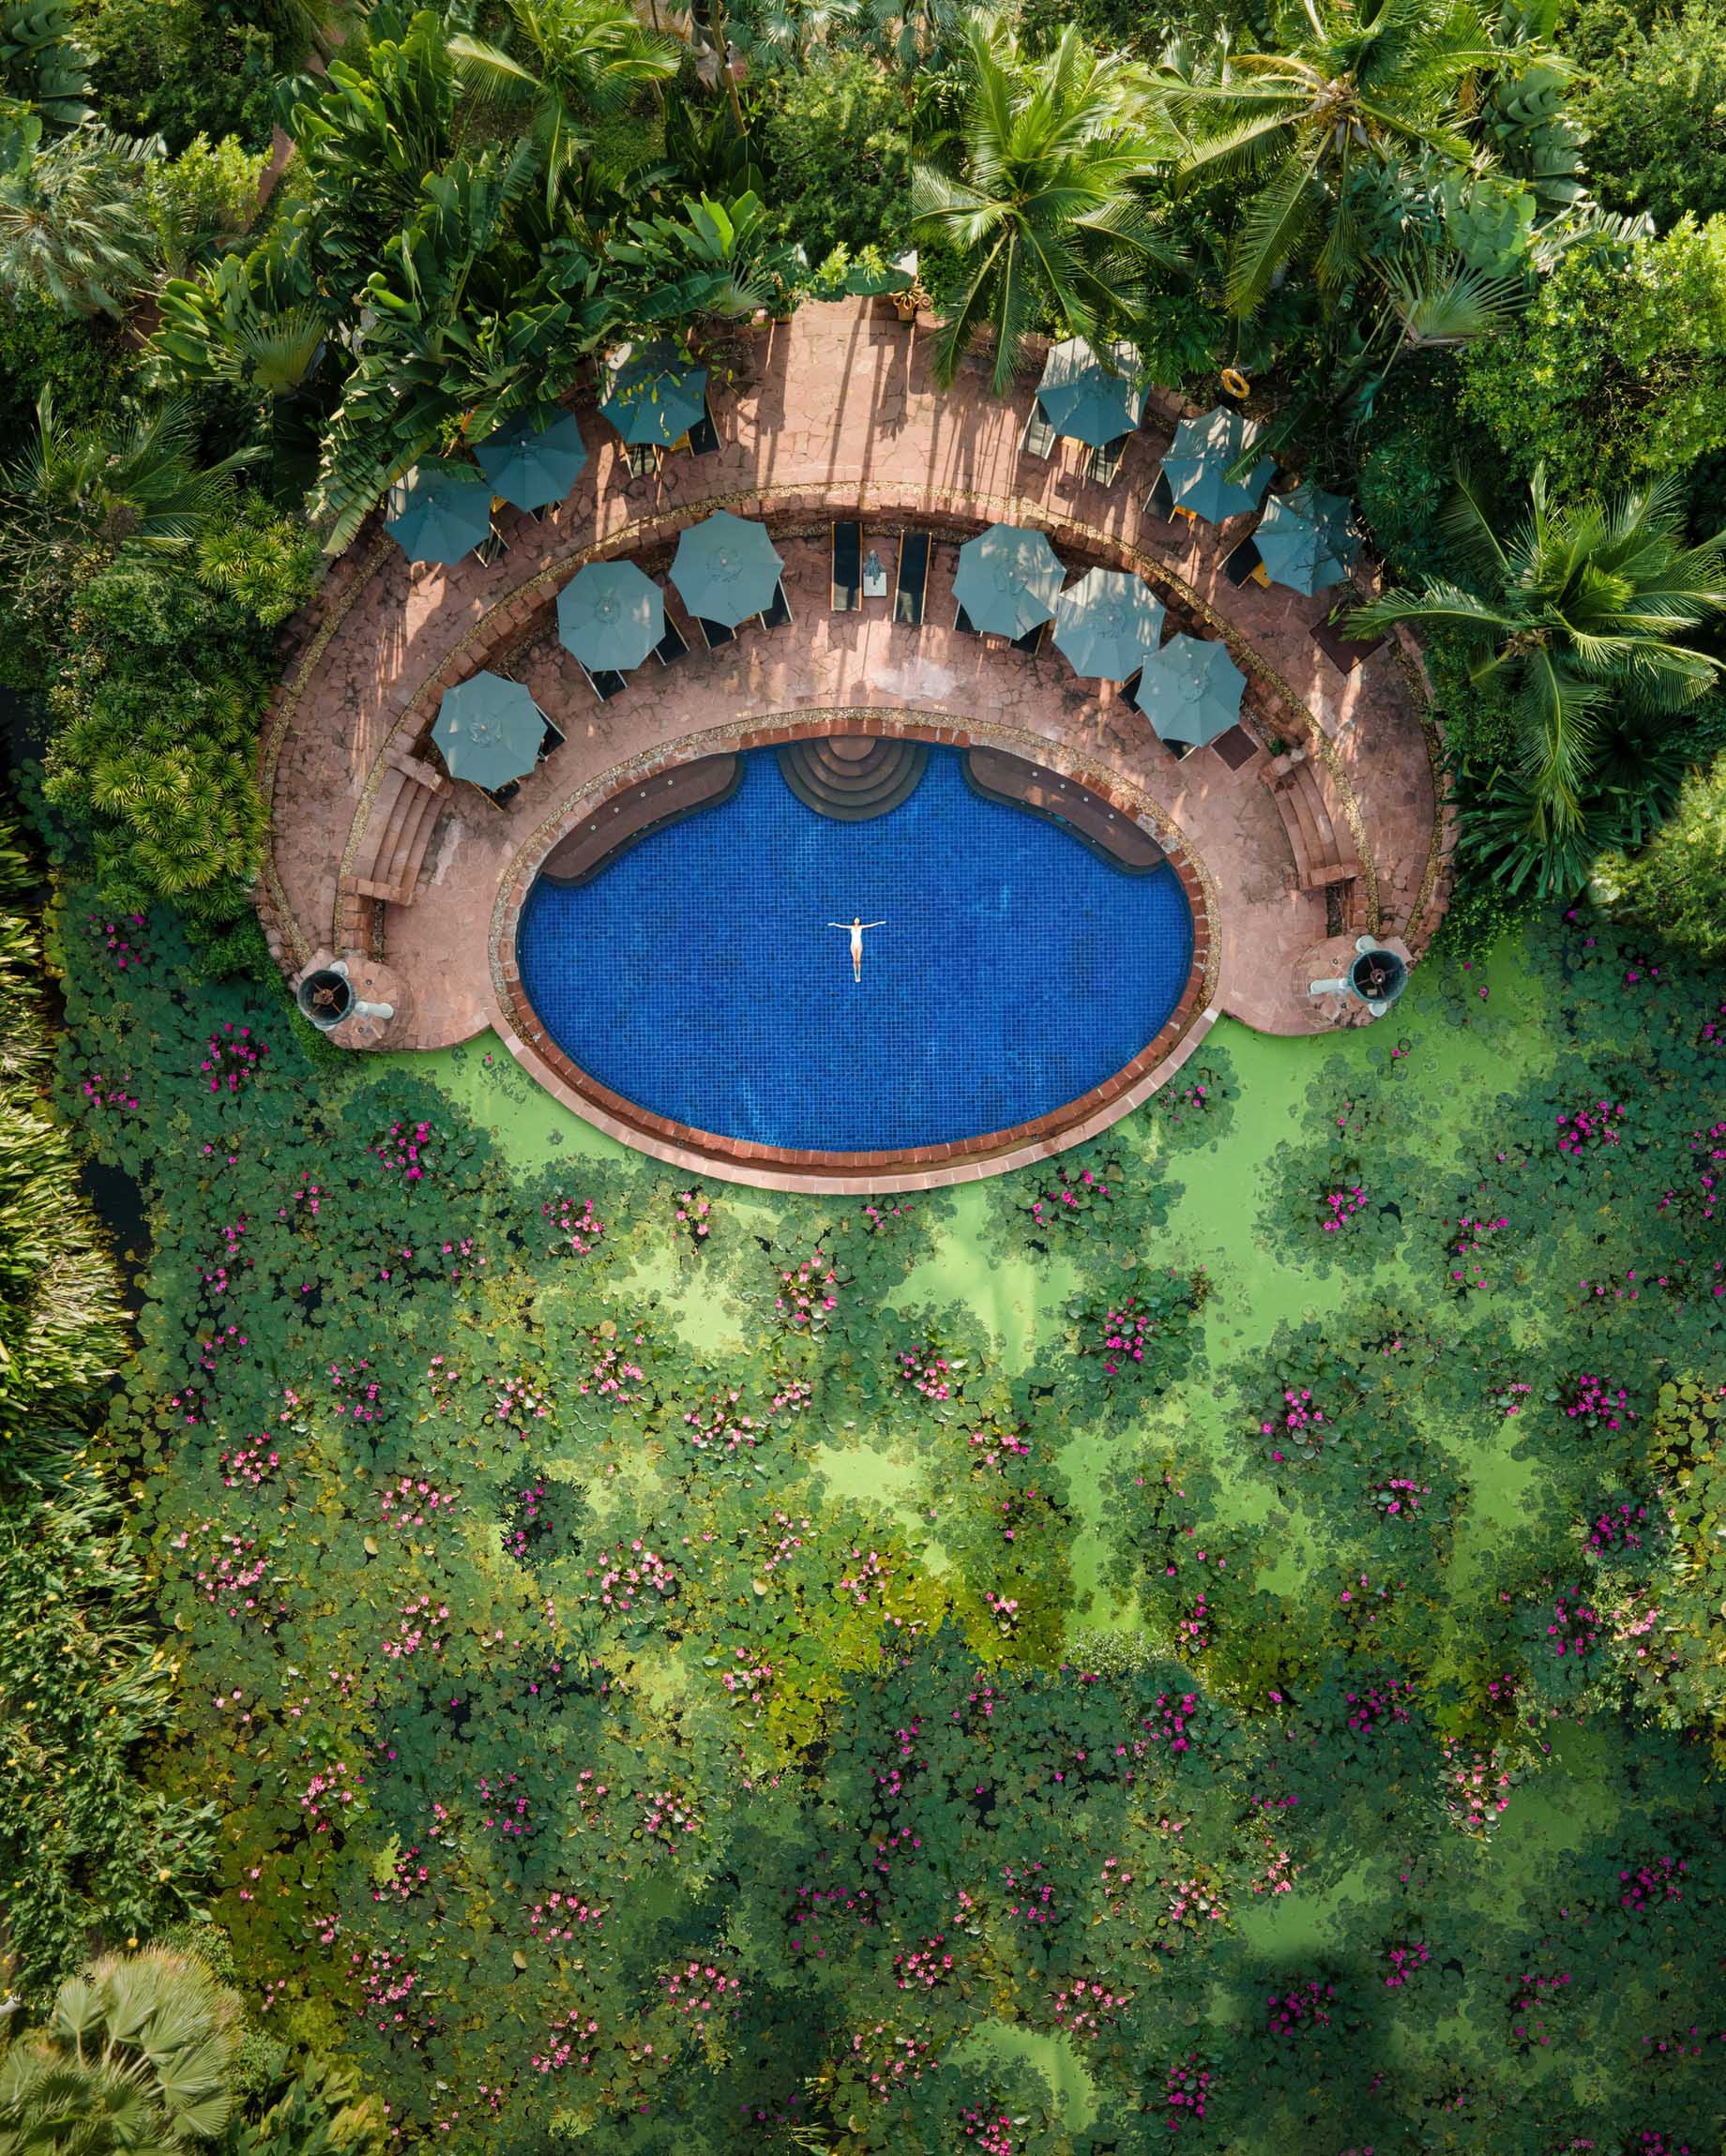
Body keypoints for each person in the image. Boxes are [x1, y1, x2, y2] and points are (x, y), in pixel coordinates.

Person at [827, 916, 885, 983]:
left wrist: (879, 923)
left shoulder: (861, 927)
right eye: (856, 919)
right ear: (854, 921)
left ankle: (859, 976)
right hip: (853, 945)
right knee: (854, 961)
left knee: (859, 961)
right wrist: (835, 924)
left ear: (859, 921)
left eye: (858, 919)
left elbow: (870, 925)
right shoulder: (851, 927)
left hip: (859, 944)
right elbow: (842, 926)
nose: (857, 920)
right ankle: (856, 976)